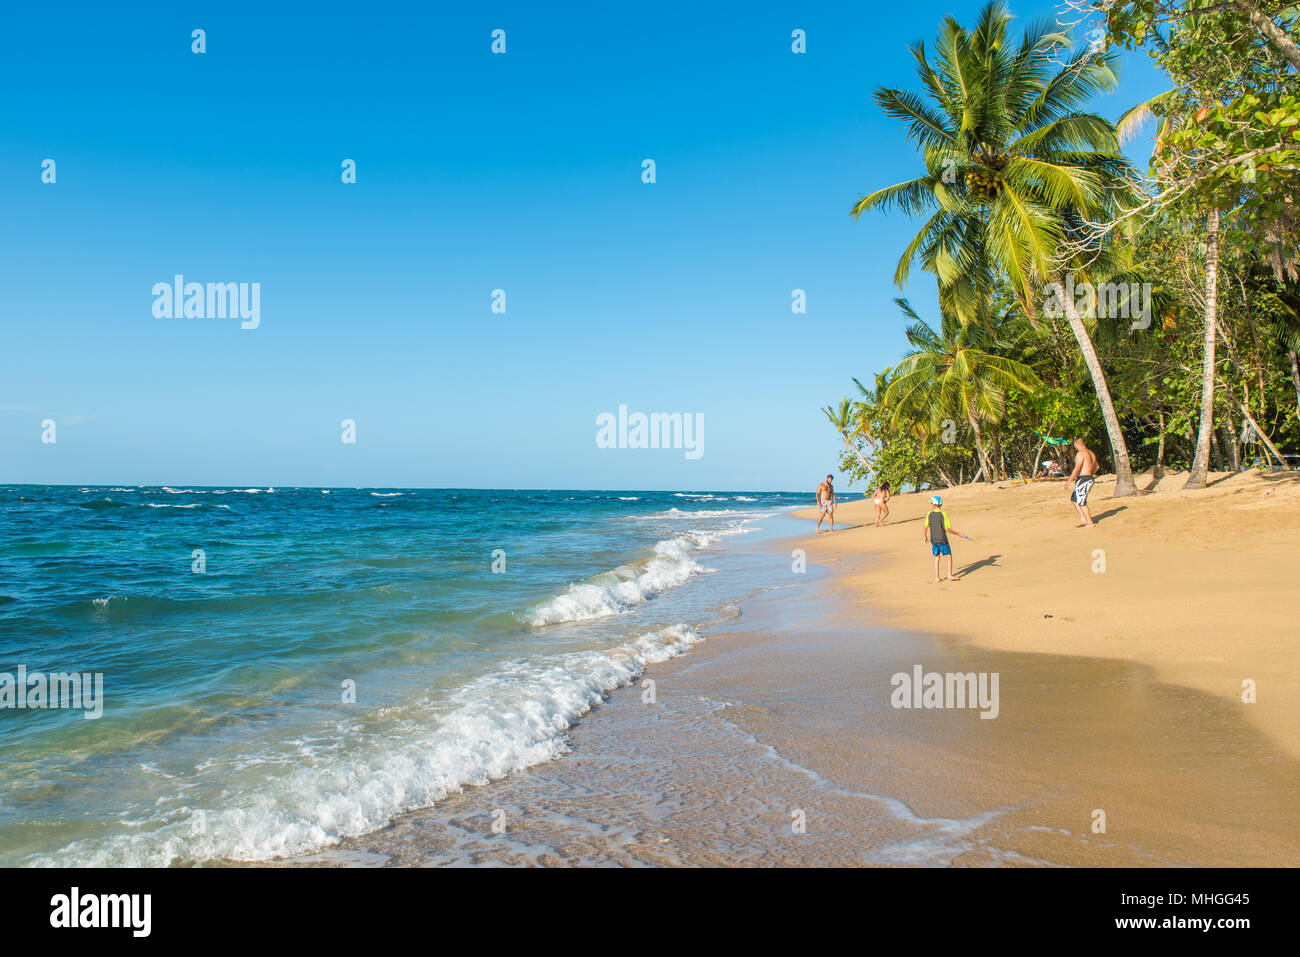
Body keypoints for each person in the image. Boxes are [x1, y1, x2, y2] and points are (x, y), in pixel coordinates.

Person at [922, 495, 969, 582]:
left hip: (934, 540)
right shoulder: (944, 514)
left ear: (934, 504)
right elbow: (947, 529)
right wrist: (958, 534)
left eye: (931, 503)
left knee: (936, 557)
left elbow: (925, 526)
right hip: (942, 539)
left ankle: (937, 577)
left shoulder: (929, 514)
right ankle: (949, 575)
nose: (930, 504)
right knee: (949, 556)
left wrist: (925, 536)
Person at [1066, 438, 1100, 528]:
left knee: (1081, 501)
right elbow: (1097, 467)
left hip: (1084, 479)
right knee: (1074, 499)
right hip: (1088, 478)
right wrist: (1090, 473)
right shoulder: (1091, 453)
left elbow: (1077, 468)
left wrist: (1069, 480)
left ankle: (1090, 523)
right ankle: (1083, 519)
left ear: (1076, 444)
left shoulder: (1081, 454)